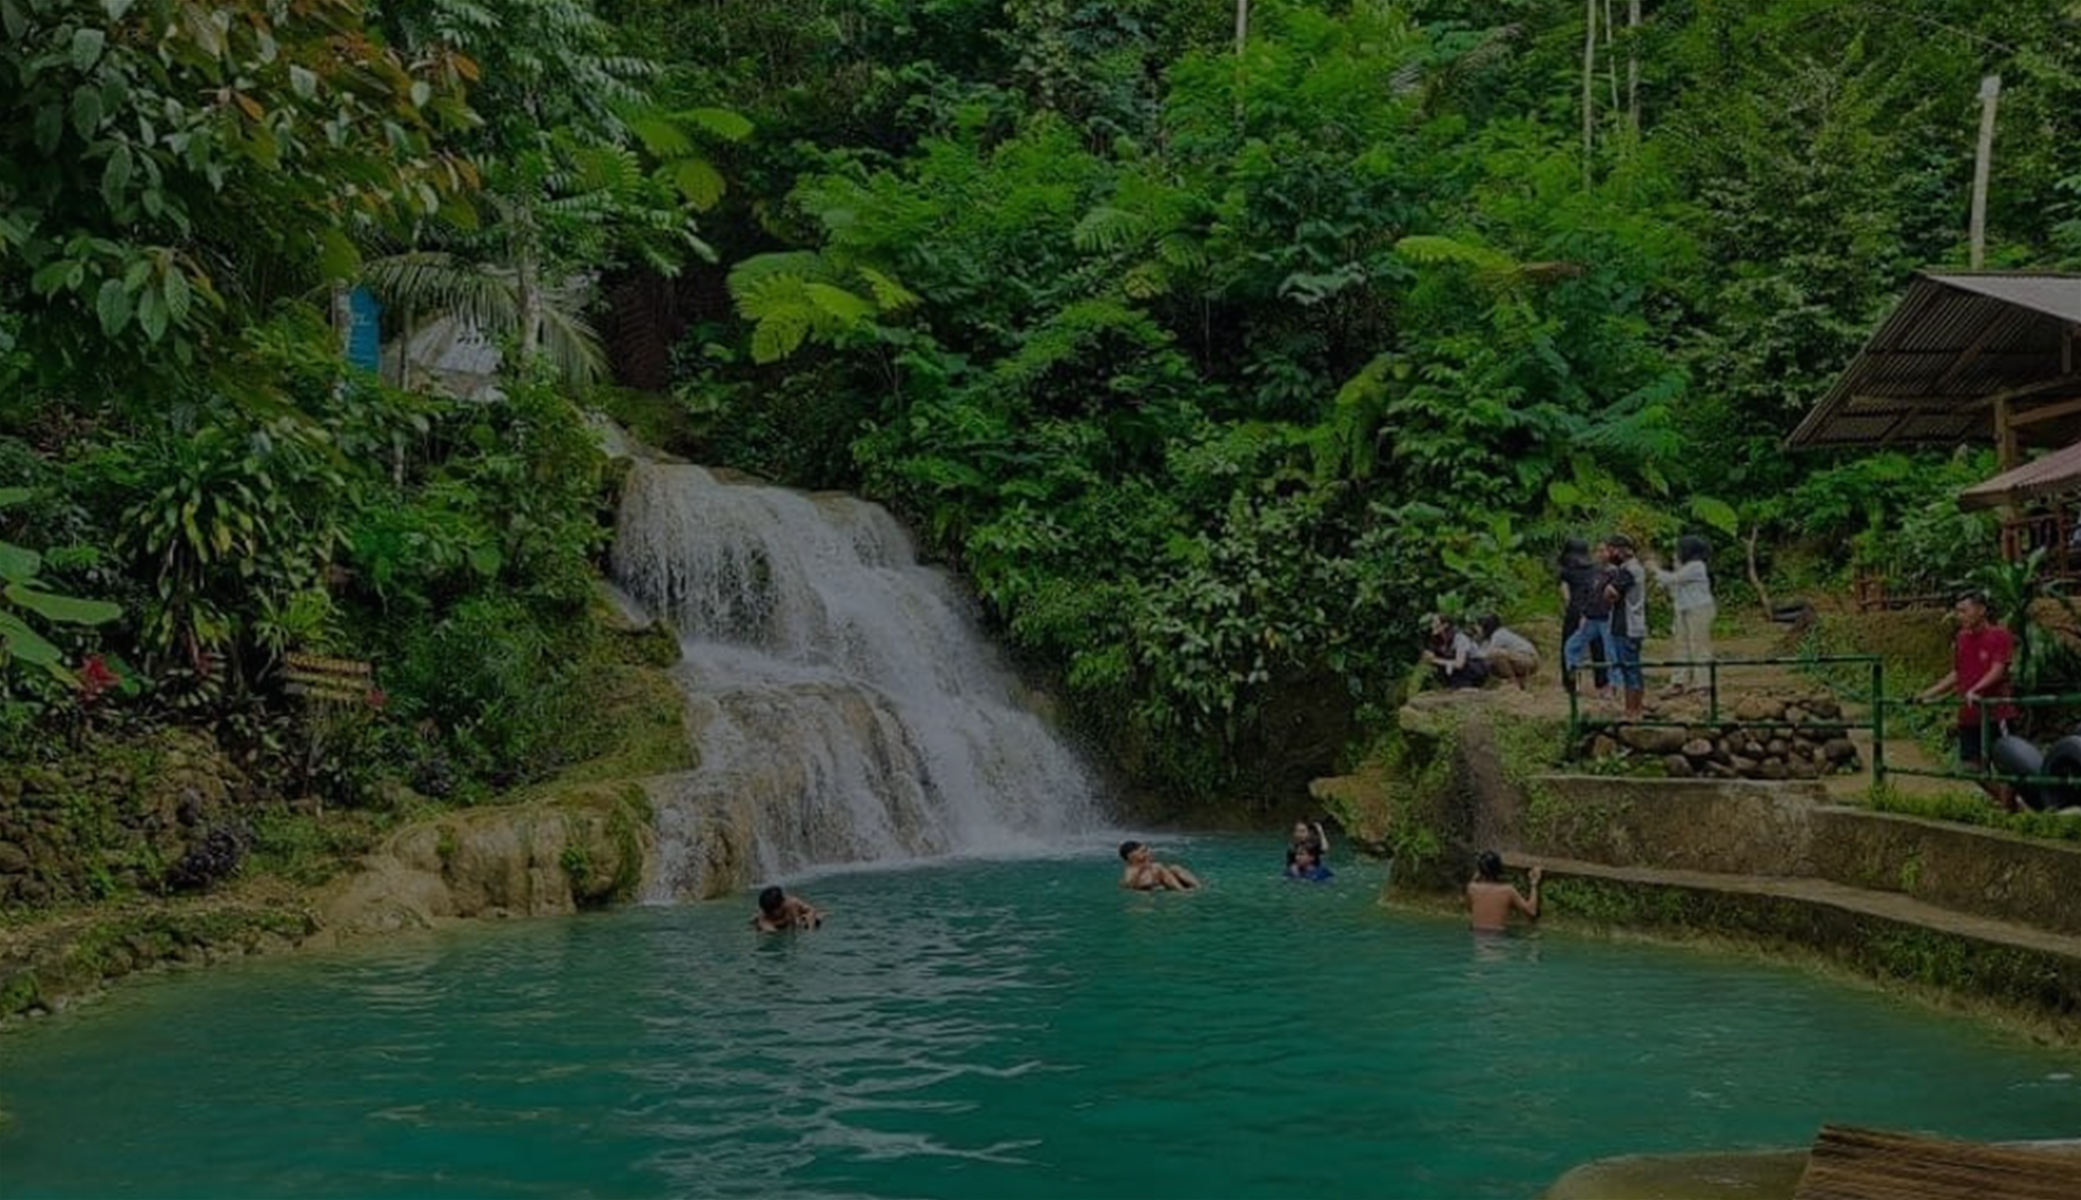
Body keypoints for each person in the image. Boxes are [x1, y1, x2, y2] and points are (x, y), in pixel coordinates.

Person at [1915, 591, 2020, 811]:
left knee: (2007, 763)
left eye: (1964, 610)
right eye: (1958, 611)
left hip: (1996, 712)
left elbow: (1998, 670)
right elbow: (1957, 674)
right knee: (1971, 767)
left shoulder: (1999, 635)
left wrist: (1977, 689)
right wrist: (1929, 693)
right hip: (1969, 714)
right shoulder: (1961, 638)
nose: (1959, 615)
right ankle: (2011, 807)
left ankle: (2010, 811)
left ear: (1981, 610)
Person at [1648, 535, 1716, 694]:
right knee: (1680, 645)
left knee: (1698, 645)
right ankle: (1678, 681)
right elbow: (1671, 586)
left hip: (1699, 608)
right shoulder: (1684, 567)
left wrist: (1655, 569)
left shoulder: (1697, 566)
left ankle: (1703, 684)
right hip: (1683, 608)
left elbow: (1672, 579)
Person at [1558, 538, 1613, 703]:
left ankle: (1572, 685)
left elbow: (1566, 595)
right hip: (1595, 611)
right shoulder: (1597, 569)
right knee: (1599, 647)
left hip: (1575, 611)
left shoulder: (1566, 571)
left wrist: (1570, 608)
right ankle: (1602, 685)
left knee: (1570, 647)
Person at [1601, 534, 1647, 720]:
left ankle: (1632, 711)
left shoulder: (1629, 570)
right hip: (1632, 624)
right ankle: (1634, 708)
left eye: (1611, 550)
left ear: (1622, 550)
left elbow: (1611, 593)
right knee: (1631, 668)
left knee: (1630, 669)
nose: (1609, 554)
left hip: (1626, 626)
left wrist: (1608, 589)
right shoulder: (1633, 569)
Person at [1465, 850, 1542, 933]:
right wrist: (1534, 883)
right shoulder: (1508, 890)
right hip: (1497, 935)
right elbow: (1531, 912)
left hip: (1477, 933)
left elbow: (1470, 909)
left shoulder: (1472, 888)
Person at [1421, 613, 1488, 689]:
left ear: (1445, 625)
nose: (1432, 625)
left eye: (1435, 622)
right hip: (1459, 670)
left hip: (1475, 667)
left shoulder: (1460, 638)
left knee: (1453, 665)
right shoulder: (1438, 640)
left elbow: (1459, 664)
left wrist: (1435, 660)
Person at [1476, 614, 1540, 690]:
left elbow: (1486, 655)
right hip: (1522, 659)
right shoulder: (1489, 638)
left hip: (1528, 659)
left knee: (1495, 654)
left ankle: (1512, 683)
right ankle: (1520, 682)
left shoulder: (1499, 635)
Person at [1118, 840, 1203, 891]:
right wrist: (1141, 869)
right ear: (1131, 856)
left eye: (1146, 850)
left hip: (1171, 885)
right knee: (1158, 866)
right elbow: (1128, 885)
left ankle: (1198, 887)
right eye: (1143, 852)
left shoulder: (1150, 865)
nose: (1148, 853)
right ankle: (1182, 891)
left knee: (1175, 867)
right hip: (1158, 889)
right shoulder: (1131, 871)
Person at [751, 885, 823, 932]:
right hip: (780, 928)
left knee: (819, 917)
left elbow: (811, 910)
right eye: (768, 912)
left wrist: (810, 928)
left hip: (796, 922)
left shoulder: (793, 903)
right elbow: (771, 932)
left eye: (772, 911)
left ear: (782, 903)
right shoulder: (763, 917)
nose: (771, 914)